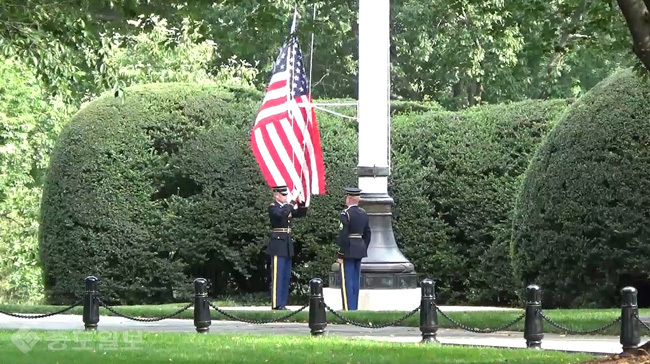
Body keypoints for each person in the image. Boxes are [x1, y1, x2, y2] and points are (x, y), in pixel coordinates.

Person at [266, 185, 307, 310]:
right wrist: (292, 201)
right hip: (278, 244)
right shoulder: (273, 207)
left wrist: (301, 202)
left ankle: (282, 303)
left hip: (287, 244)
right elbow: (282, 215)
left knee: (285, 276)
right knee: (278, 276)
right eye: (283, 195)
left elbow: (300, 213)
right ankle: (276, 303)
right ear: (276, 195)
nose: (285, 197)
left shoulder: (285, 208)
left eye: (286, 195)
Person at [336, 186, 371, 311]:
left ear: (349, 198)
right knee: (355, 280)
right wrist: (363, 247)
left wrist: (341, 253)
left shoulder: (345, 214)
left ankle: (347, 307)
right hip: (359, 248)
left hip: (349, 250)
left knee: (347, 281)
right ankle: (354, 307)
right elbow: (367, 234)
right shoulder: (363, 213)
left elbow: (343, 236)